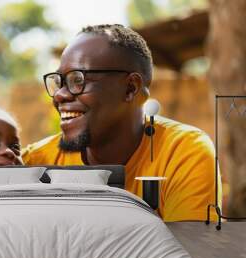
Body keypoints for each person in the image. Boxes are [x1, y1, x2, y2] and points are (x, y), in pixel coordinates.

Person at [22, 24, 221, 222]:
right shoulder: (37, 162)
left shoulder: (181, 153)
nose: (59, 95)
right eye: (59, 82)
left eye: (77, 80)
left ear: (130, 88)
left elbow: (188, 250)